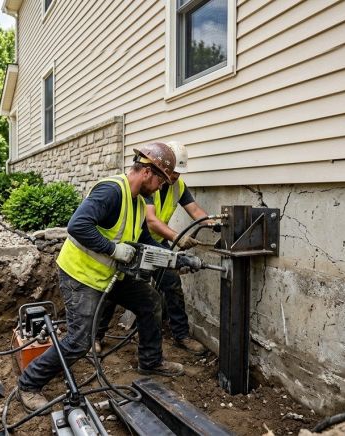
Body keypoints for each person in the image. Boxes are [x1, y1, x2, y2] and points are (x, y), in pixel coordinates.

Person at [17, 142, 185, 411]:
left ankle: (150, 361)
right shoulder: (111, 191)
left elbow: (141, 238)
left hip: (109, 273)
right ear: (147, 173)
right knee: (79, 340)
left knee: (150, 300)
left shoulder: (140, 201)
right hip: (80, 274)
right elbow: (77, 226)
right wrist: (113, 249)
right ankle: (29, 383)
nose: (161, 187)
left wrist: (175, 258)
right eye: (161, 181)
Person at [95, 141, 213, 355]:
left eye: (178, 172)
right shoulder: (149, 183)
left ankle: (181, 335)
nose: (175, 177)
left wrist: (213, 223)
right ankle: (96, 335)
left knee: (172, 283)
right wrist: (179, 238)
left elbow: (195, 211)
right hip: (140, 240)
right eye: (173, 172)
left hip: (157, 241)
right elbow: (150, 221)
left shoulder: (178, 186)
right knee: (117, 287)